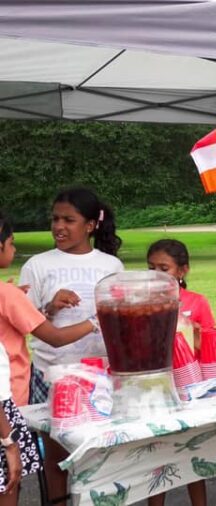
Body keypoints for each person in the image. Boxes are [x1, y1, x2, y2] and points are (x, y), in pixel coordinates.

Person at [18, 188, 124, 505]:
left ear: (91, 225)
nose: (59, 227)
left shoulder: (111, 266)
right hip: (52, 372)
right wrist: (50, 307)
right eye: (55, 219)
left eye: (69, 220)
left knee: (101, 452)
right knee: (56, 458)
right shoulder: (37, 265)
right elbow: (25, 321)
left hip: (101, 374)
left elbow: (120, 320)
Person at [0, 213, 99, 505]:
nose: (14, 250)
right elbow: (53, 337)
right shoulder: (7, 294)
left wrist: (46, 306)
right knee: (8, 481)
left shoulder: (8, 294)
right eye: (11, 243)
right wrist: (95, 322)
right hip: (7, 402)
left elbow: (19, 322)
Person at [146, 239, 216, 506]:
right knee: (158, 454)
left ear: (182, 270)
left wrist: (194, 336)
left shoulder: (196, 302)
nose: (156, 275)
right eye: (151, 268)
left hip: (189, 386)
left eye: (164, 268)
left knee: (192, 450)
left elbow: (209, 344)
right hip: (156, 385)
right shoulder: (144, 300)